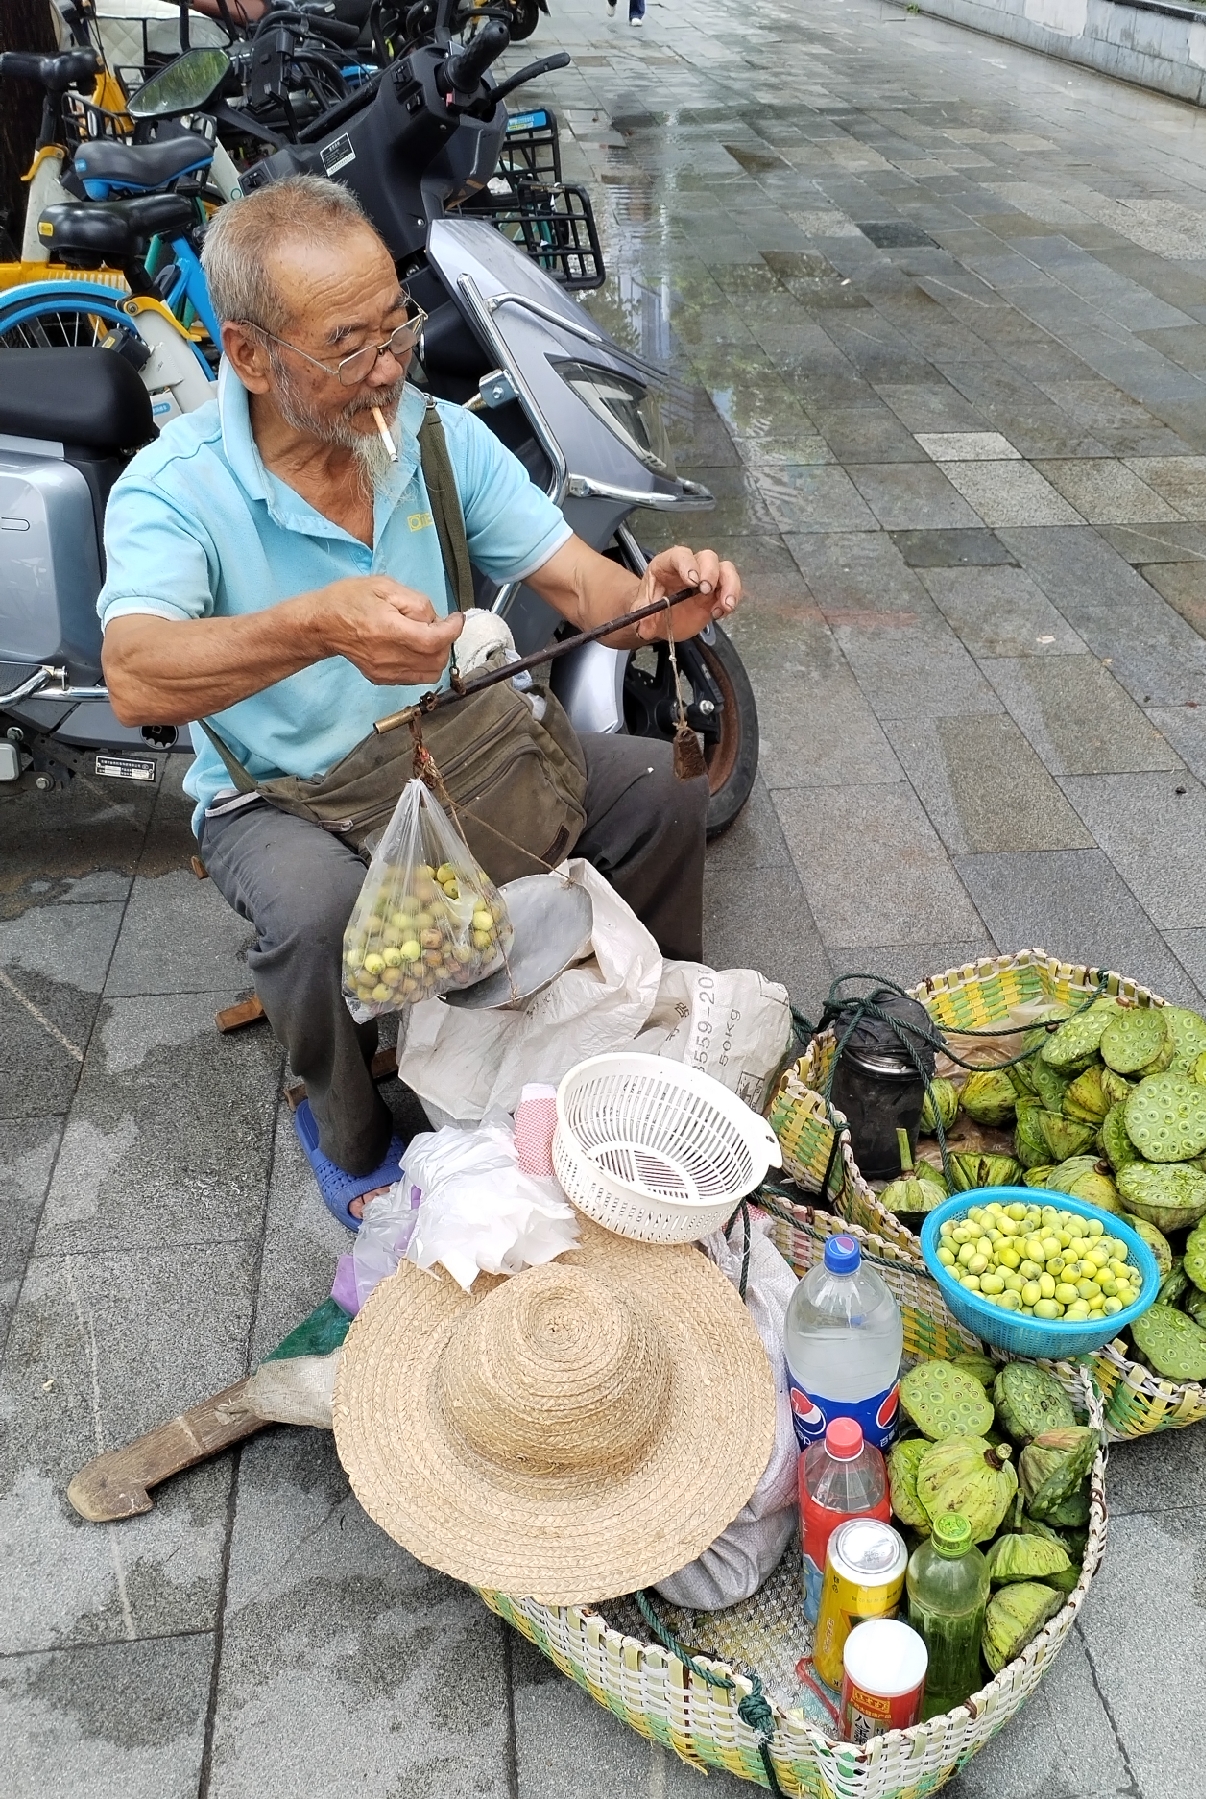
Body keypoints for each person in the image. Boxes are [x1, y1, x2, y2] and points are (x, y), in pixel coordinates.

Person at [100, 177, 741, 1228]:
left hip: (452, 749)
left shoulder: (434, 438)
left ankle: (642, 1048)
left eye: (397, 325)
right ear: (251, 357)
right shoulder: (177, 490)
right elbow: (136, 672)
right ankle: (352, 1130)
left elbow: (589, 592)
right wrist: (315, 625)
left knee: (658, 798)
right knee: (316, 918)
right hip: (285, 794)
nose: (391, 367)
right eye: (347, 348)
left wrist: (658, 604)